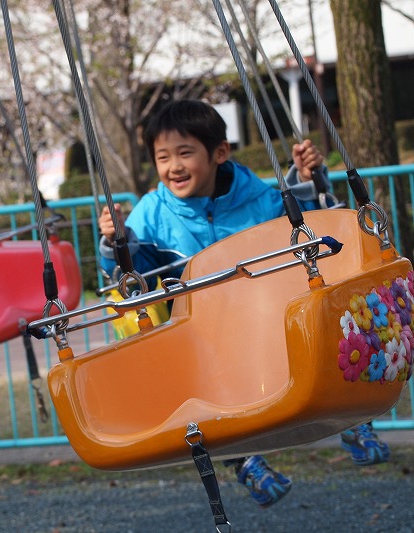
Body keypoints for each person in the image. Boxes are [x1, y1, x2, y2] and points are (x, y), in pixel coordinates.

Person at [97, 98, 389, 508]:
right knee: (189, 375)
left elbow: (304, 227)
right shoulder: (150, 214)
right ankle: (244, 461)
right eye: (163, 157)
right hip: (204, 330)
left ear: (218, 153)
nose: (173, 167)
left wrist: (310, 178)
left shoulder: (257, 196)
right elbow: (130, 274)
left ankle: (353, 420)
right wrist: (115, 241)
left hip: (264, 312)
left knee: (317, 316)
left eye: (185, 153)